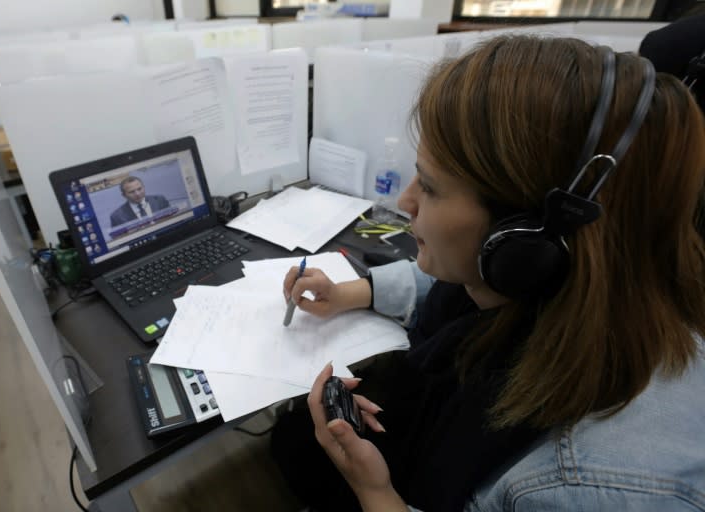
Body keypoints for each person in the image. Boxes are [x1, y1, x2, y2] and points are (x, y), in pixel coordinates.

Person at [271, 35, 705, 512]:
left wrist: (374, 492)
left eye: (431, 188)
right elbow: (453, 280)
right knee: (292, 443)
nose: (405, 202)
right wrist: (352, 291)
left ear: (520, 240)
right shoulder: (577, 276)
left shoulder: (588, 490)